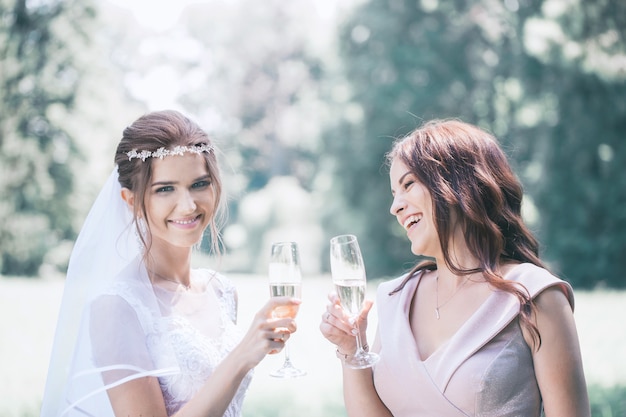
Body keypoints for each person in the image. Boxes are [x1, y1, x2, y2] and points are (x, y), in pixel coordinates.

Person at [320, 119, 591, 416]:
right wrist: (351, 348)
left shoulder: (534, 295)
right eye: (393, 194)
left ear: (460, 183)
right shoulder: (395, 298)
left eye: (408, 184)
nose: (395, 206)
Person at [41, 110, 300, 417]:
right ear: (131, 201)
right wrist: (243, 355)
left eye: (199, 184)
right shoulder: (117, 307)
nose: (189, 205)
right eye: (165, 189)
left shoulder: (222, 291)